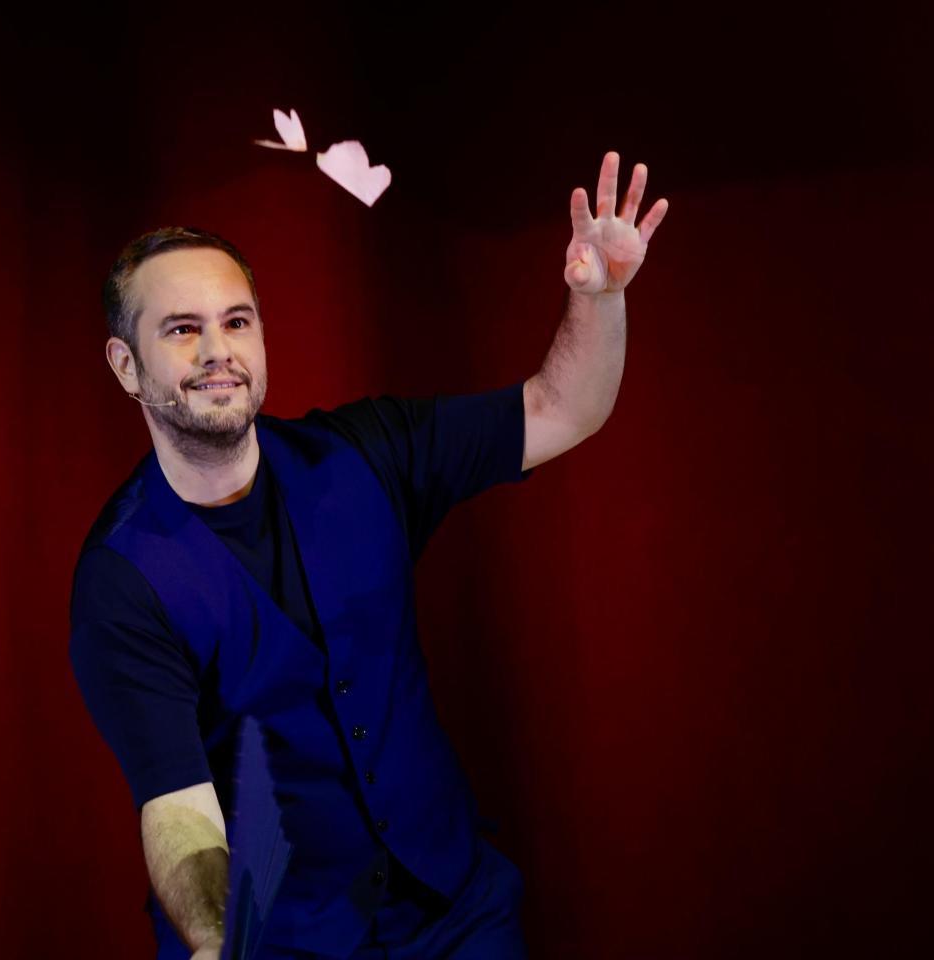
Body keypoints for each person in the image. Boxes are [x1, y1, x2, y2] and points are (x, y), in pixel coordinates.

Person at [70, 153, 669, 959]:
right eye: (183, 330)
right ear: (126, 364)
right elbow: (178, 806)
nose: (218, 350)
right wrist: (214, 940)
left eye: (237, 321)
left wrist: (600, 299)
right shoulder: (121, 578)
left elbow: (563, 409)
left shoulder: (367, 453)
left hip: (455, 913)